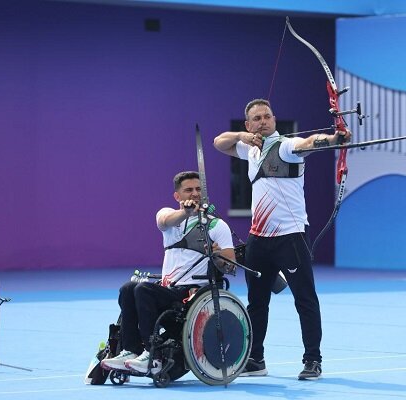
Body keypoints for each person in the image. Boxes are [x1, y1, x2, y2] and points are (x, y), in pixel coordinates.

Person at [213, 99, 351, 380]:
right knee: (256, 302)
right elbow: (218, 142)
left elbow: (309, 142)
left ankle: (313, 359)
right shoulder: (249, 149)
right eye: (257, 118)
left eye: (267, 116)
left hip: (290, 237)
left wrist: (335, 138)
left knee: (305, 299)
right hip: (258, 239)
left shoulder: (285, 147)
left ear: (274, 120)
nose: (263, 121)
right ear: (248, 124)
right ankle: (256, 359)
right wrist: (242, 137)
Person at [100, 171, 235, 375]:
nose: (195, 194)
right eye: (188, 190)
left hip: (192, 293)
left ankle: (151, 354)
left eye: (198, 189)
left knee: (144, 289)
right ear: (177, 196)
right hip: (168, 288)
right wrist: (185, 213)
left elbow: (230, 266)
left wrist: (217, 256)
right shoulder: (168, 215)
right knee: (128, 288)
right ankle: (130, 349)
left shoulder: (217, 225)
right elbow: (164, 221)